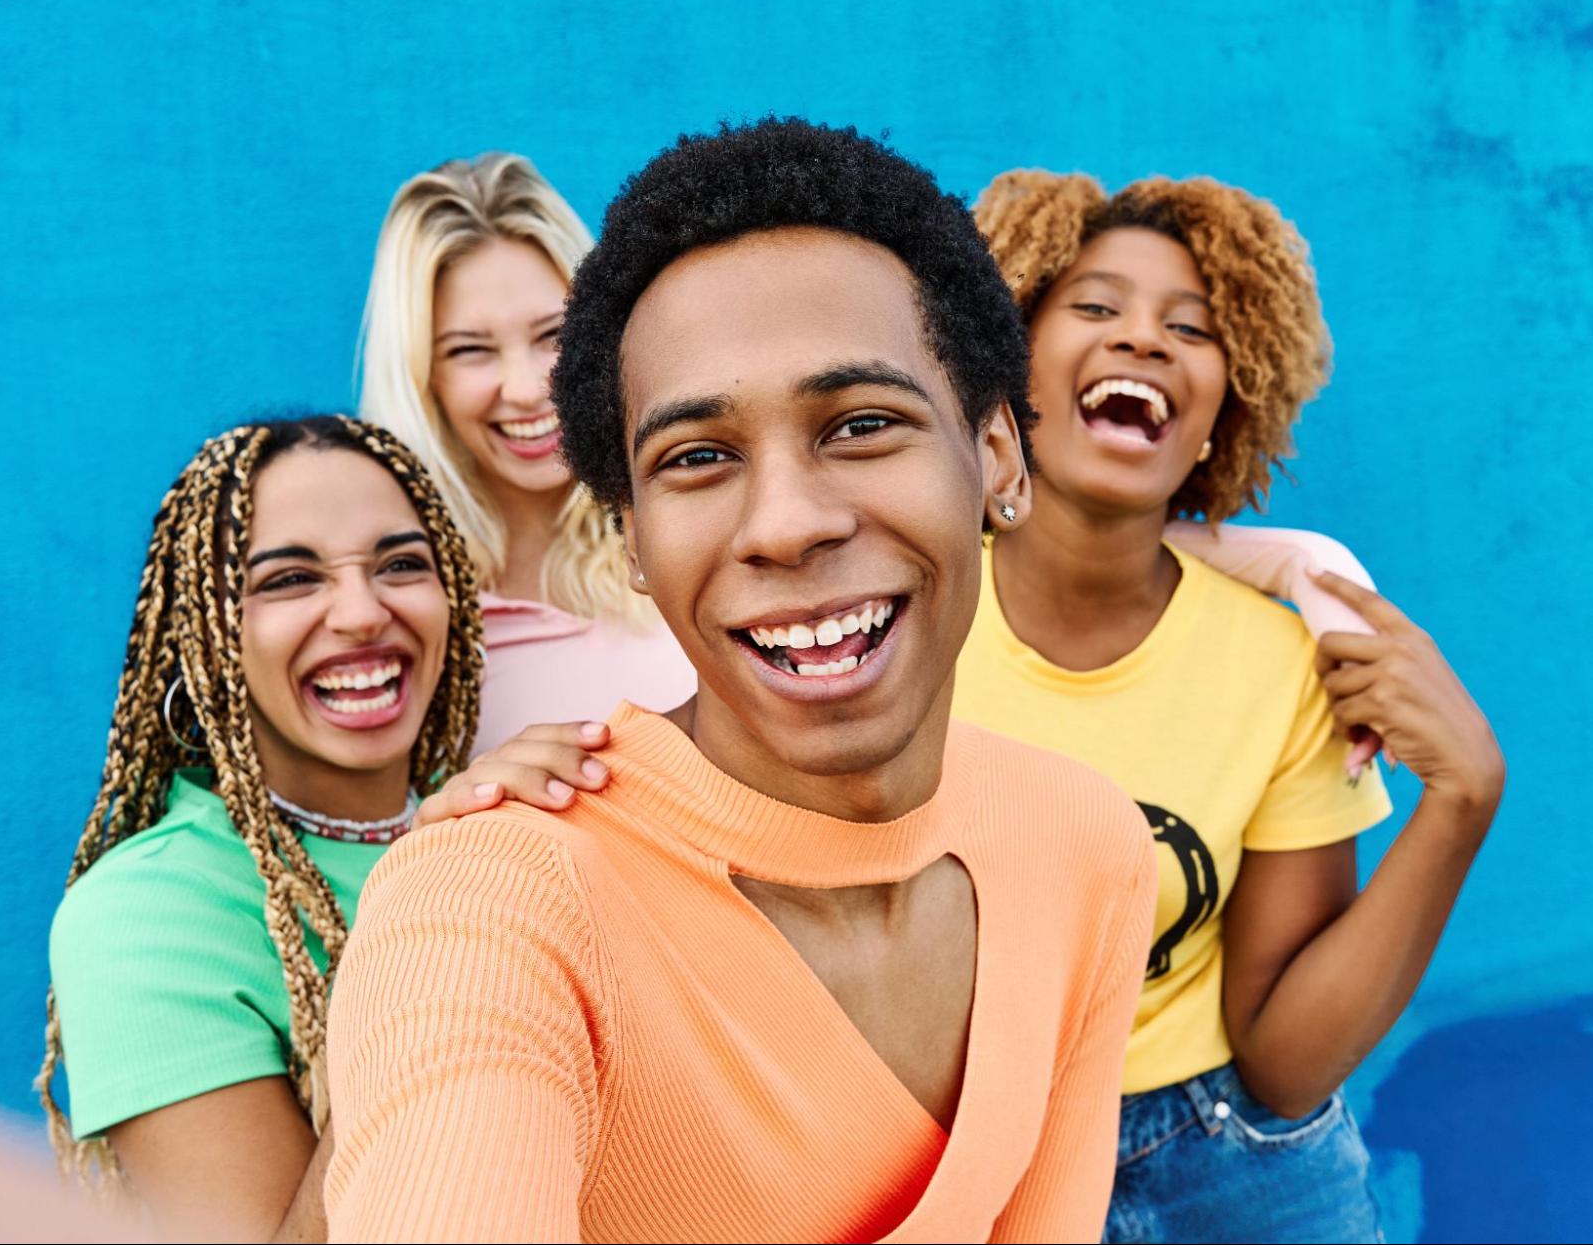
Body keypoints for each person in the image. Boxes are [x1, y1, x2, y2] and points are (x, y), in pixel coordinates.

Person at [322, 119, 1158, 1242]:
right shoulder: (492, 903)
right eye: (698, 457)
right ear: (629, 537)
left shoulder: (1083, 842)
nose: (786, 524)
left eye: (861, 424)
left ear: (999, 454)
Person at [962, 169, 1507, 1243]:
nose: (1144, 341)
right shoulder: (891, 631)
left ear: (1225, 409)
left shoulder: (1282, 662)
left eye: (1191, 327)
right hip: (972, 1167)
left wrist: (1462, 798)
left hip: (1239, 1165)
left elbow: (1285, 1058)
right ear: (1002, 366)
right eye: (1094, 306)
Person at [38, 416, 484, 1242]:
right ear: (205, 638)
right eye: (287, 580)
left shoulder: (501, 824)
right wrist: (454, 972)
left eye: (400, 564)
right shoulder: (147, 915)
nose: (361, 611)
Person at [357, 153, 691, 751]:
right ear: (420, 377)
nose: (528, 386)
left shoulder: (686, 529)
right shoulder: (405, 607)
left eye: (553, 336)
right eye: (470, 351)